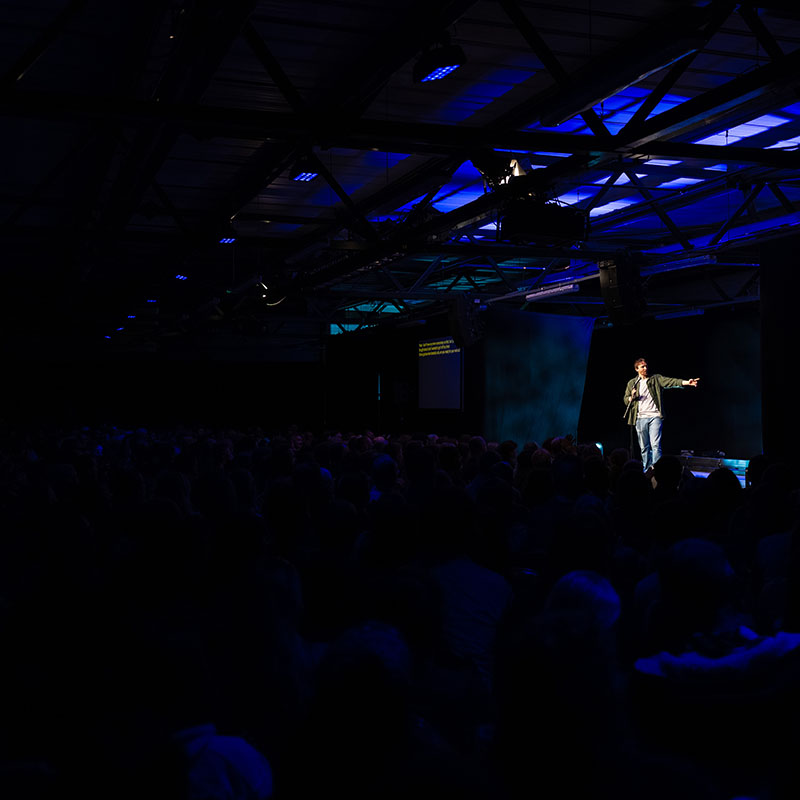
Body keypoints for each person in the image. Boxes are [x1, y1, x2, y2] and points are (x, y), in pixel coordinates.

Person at [623, 358, 699, 472]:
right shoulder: (632, 383)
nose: (645, 368)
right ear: (636, 369)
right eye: (642, 366)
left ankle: (657, 469)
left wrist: (687, 382)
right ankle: (647, 469)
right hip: (640, 418)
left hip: (655, 416)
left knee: (655, 445)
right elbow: (625, 399)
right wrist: (631, 397)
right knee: (644, 447)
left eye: (646, 366)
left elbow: (670, 381)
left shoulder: (655, 379)